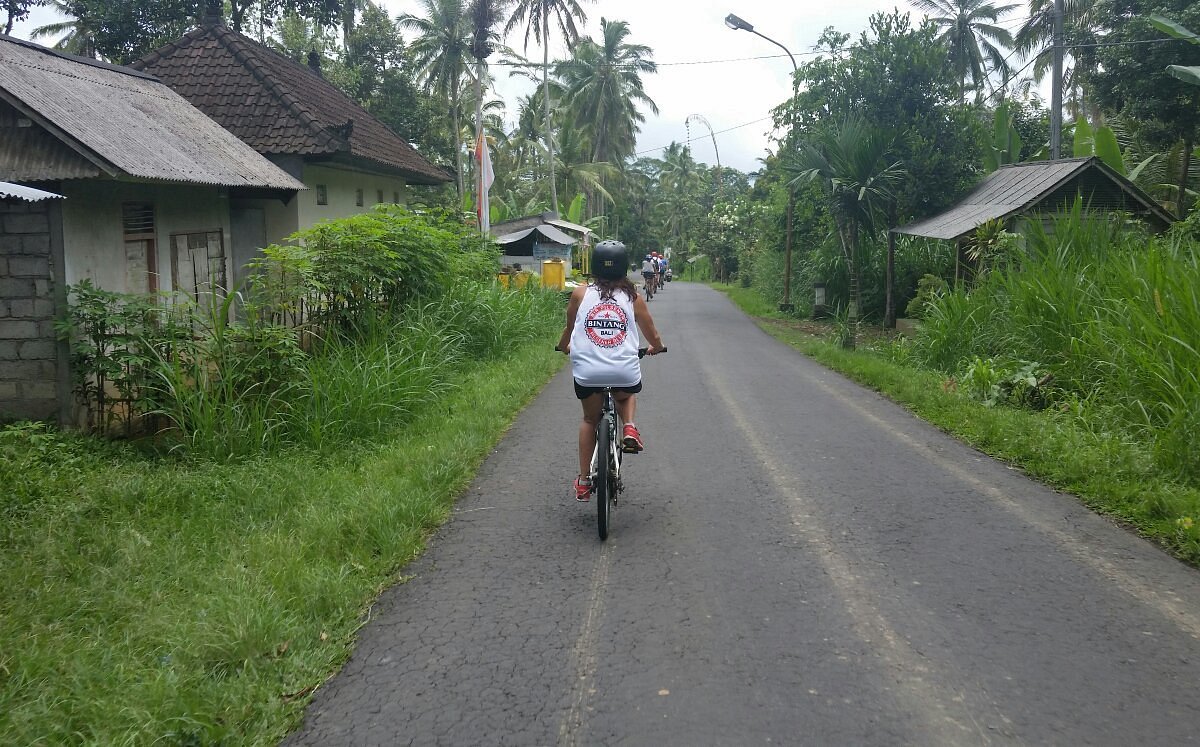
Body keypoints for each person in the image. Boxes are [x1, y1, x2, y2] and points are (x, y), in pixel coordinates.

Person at [558, 240, 665, 501]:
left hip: (588, 373)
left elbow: (570, 329)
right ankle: (629, 426)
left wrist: (563, 347)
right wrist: (657, 347)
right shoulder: (633, 297)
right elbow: (652, 334)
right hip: (623, 371)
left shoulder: (580, 294)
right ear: (623, 267)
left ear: (594, 266)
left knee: (589, 420)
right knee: (626, 394)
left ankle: (584, 480)